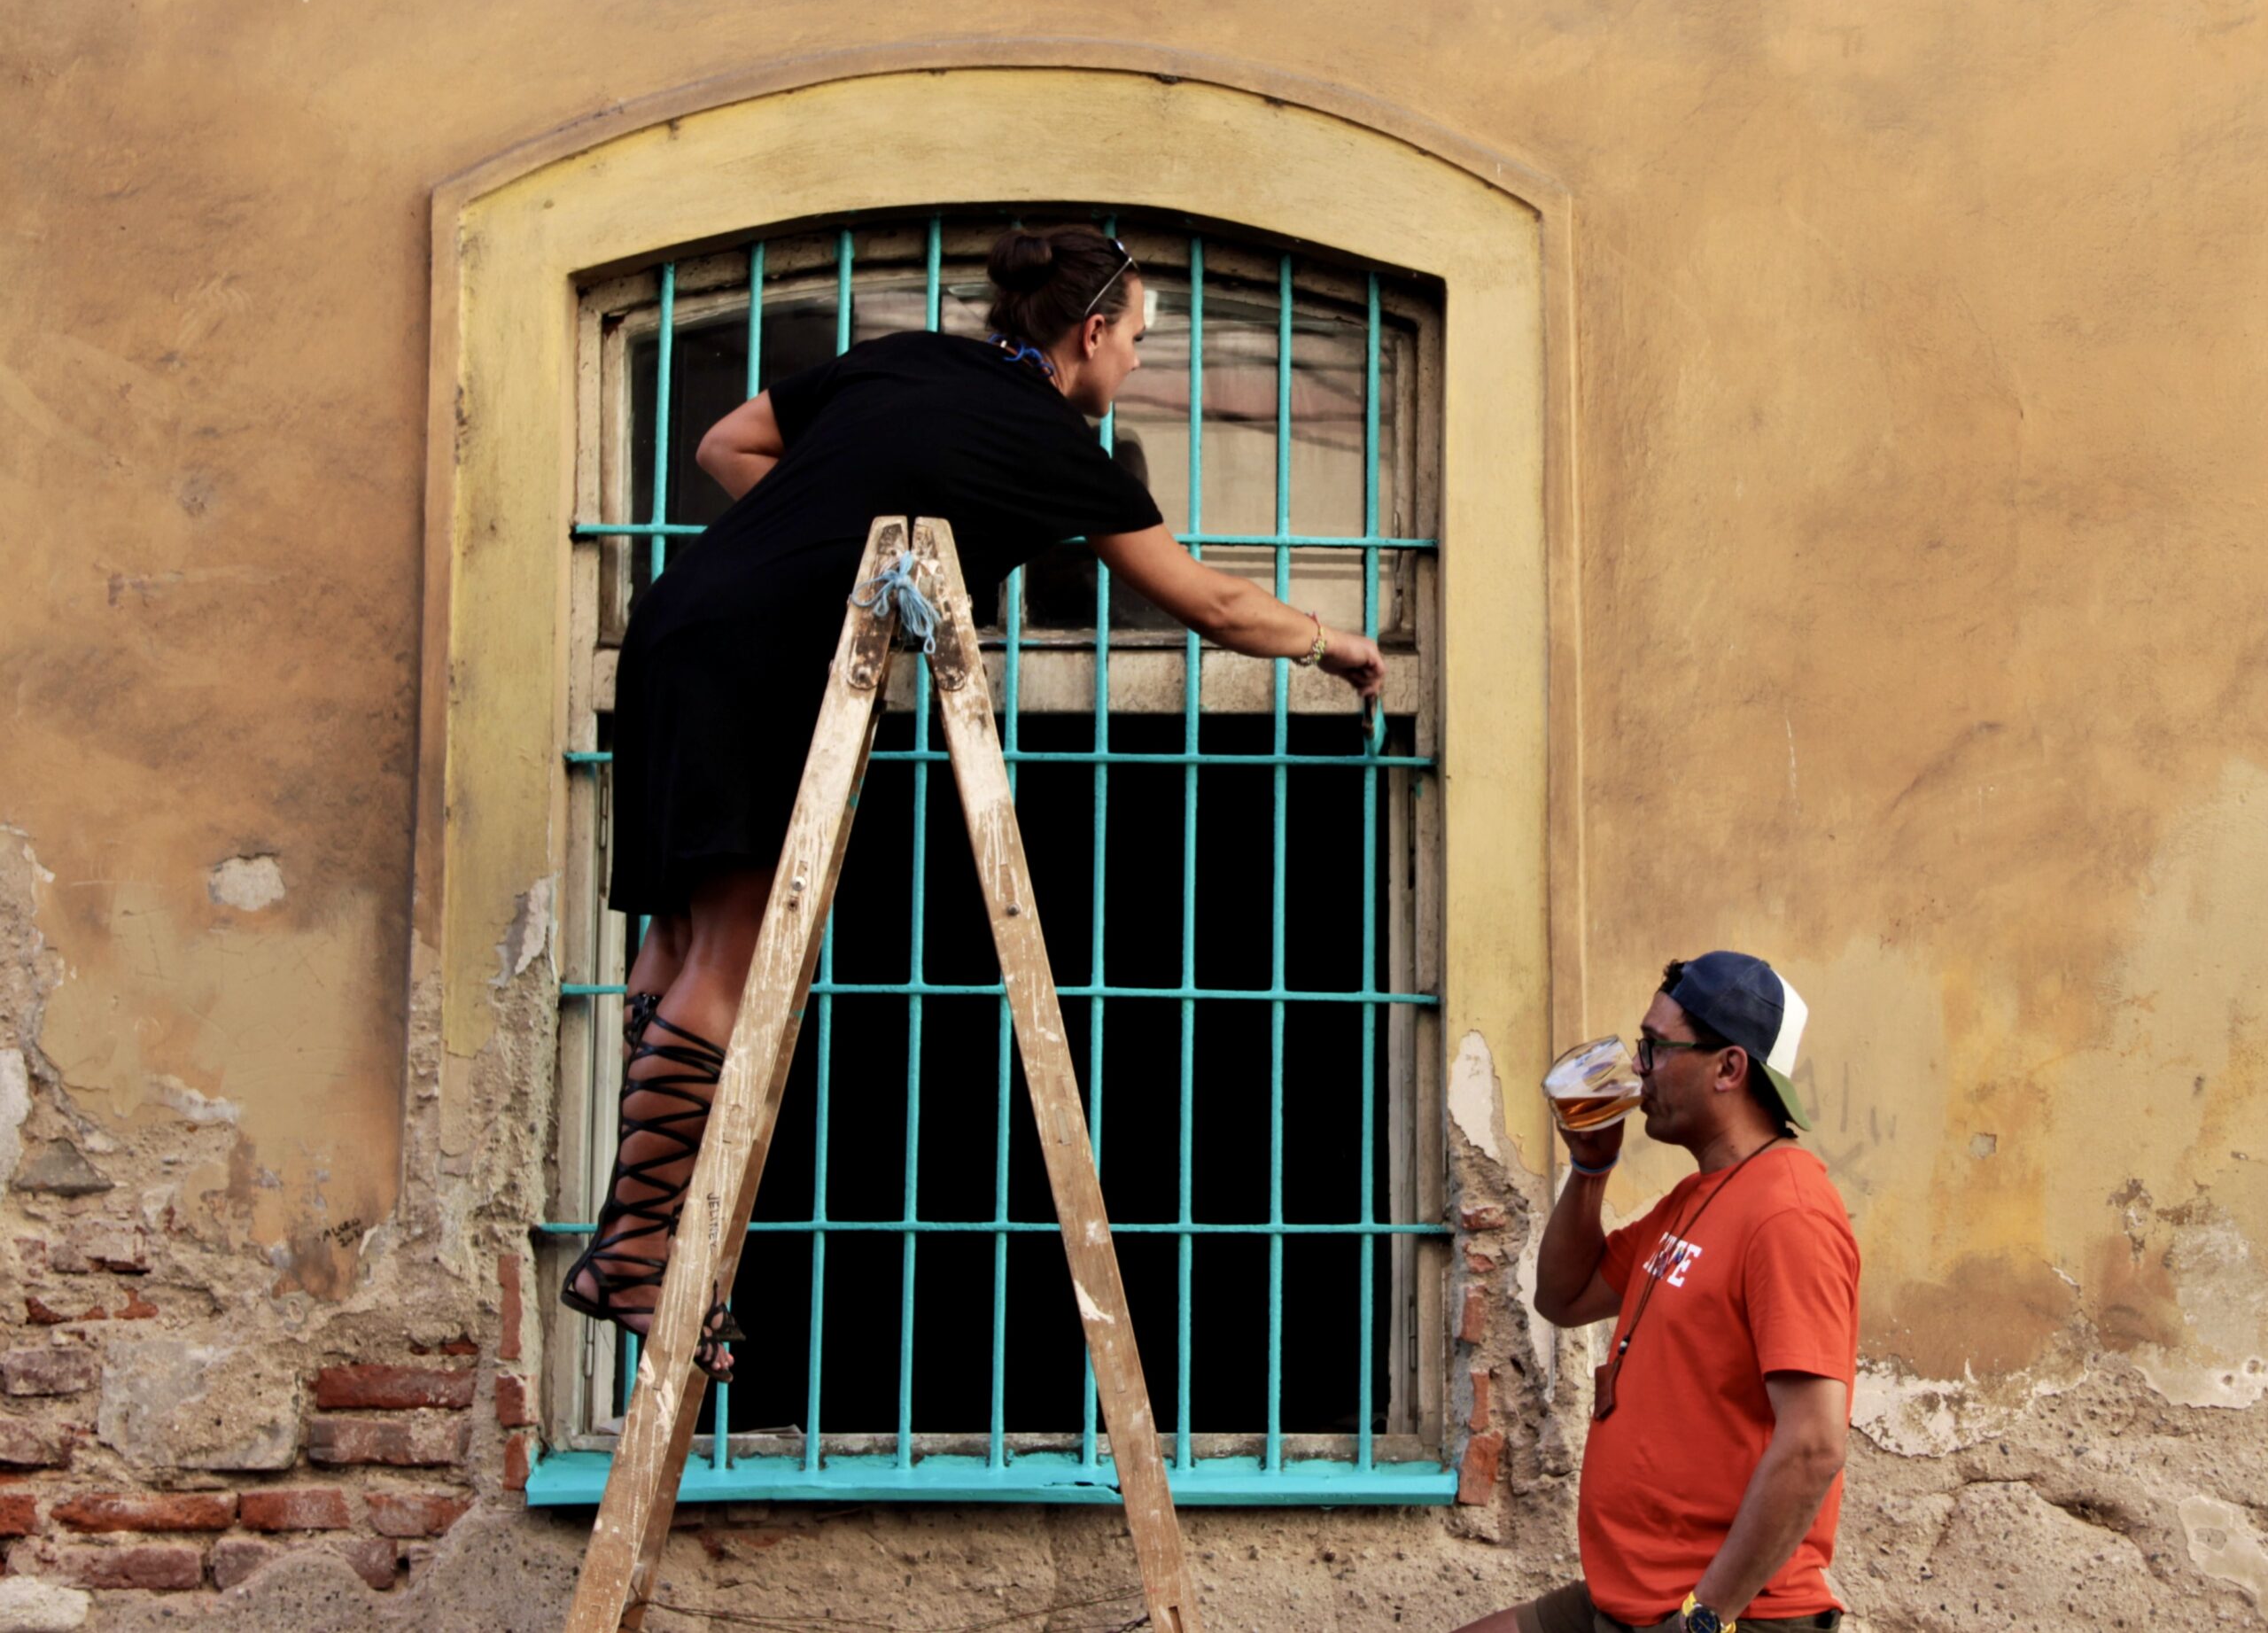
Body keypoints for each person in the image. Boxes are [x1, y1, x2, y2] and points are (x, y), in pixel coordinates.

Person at [563, 225, 1387, 1378]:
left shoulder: (907, 357)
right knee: (733, 955)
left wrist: (820, 550)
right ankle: (640, 1252)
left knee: (678, 934)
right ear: (1089, 334)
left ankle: (630, 1235)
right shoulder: (1060, 448)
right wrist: (1330, 643)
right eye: (1137, 341)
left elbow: (724, 443)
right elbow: (1208, 602)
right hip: (757, 656)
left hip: (676, 620)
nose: (1137, 363)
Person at [1456, 953, 1859, 1633]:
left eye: (1655, 1047)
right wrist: (1591, 1166)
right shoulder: (1694, 1197)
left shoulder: (1789, 1213)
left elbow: (1815, 1444)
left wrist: (1705, 1619)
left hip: (1725, 1614)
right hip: (1629, 1599)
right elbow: (1564, 1297)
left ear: (1728, 1068)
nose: (1636, 1069)